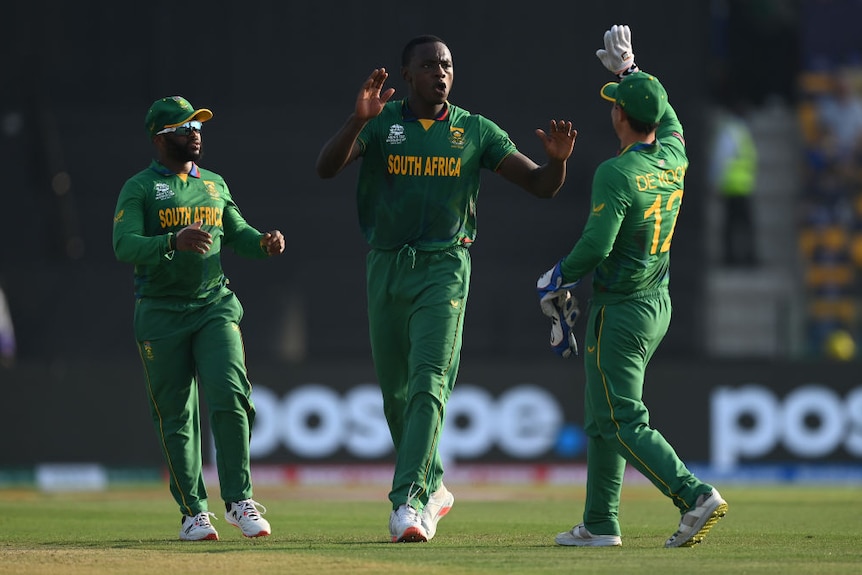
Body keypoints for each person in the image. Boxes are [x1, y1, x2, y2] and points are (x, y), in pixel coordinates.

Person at [316, 34, 576, 543]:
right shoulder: (381, 124)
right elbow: (325, 169)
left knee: (430, 379)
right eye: (430, 65)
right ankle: (434, 485)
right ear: (407, 75)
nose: (442, 73)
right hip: (387, 266)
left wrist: (559, 162)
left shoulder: (474, 130)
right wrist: (358, 120)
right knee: (395, 394)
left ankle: (408, 501)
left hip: (445, 266)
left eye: (448, 65)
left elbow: (541, 186)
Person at [536, 25, 728, 548]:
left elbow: (596, 247)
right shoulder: (674, 156)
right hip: (655, 302)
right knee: (601, 418)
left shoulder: (615, 174)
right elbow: (672, 120)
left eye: (617, 101)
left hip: (621, 311)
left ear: (619, 116)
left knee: (621, 419)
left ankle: (693, 495)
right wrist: (629, 72)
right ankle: (600, 523)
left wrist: (557, 276)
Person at [112, 96, 285, 541]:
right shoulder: (140, 188)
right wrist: (171, 240)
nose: (195, 134)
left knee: (231, 396)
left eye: (199, 128)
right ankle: (193, 512)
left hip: (214, 305)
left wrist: (261, 242)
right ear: (160, 138)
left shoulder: (214, 184)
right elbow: (124, 244)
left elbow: (237, 232)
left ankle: (240, 501)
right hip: (160, 312)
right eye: (184, 128)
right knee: (177, 416)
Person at [709, 95, 758, 267]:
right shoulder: (734, 132)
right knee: (738, 225)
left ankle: (736, 257)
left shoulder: (735, 131)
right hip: (735, 186)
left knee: (735, 225)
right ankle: (740, 257)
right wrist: (716, 181)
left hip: (738, 186)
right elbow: (721, 158)